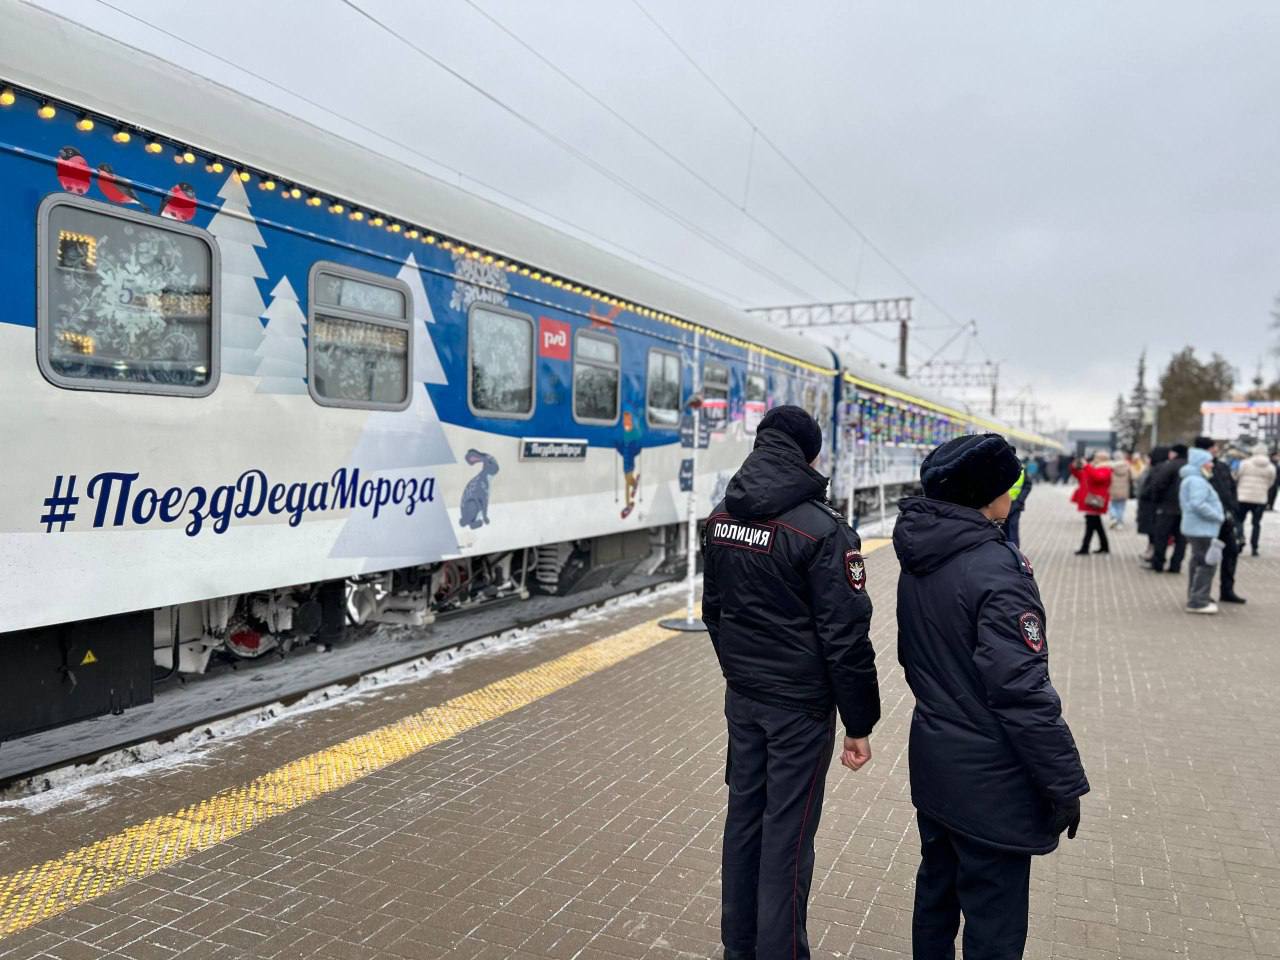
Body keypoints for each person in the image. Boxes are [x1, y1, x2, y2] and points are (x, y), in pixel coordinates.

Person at [895, 434, 1089, 960]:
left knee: (936, 896)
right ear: (987, 496)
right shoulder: (997, 569)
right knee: (994, 923)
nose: (1014, 494)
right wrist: (1063, 782)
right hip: (992, 779)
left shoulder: (920, 555)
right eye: (1009, 485)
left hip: (935, 762)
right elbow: (1021, 691)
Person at [701, 404, 881, 960]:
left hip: (746, 700)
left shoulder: (720, 517)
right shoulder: (822, 530)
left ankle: (741, 948)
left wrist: (741, 672)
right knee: (788, 836)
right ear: (811, 455)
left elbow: (714, 611)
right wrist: (859, 722)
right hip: (800, 710)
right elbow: (845, 636)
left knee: (744, 823)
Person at [1193, 437, 1244, 604]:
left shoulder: (1221, 466)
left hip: (1226, 518)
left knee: (1231, 552)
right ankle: (1199, 593)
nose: (1216, 449)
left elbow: (1231, 488)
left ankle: (1227, 590)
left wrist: (1233, 508)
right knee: (1205, 558)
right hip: (1209, 519)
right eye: (1214, 446)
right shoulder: (1198, 469)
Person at [1179, 447, 1225, 614]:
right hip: (1201, 529)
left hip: (1195, 528)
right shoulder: (1197, 481)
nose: (1211, 465)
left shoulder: (1191, 479)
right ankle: (1198, 600)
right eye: (1208, 462)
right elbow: (1198, 504)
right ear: (1200, 464)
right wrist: (1218, 516)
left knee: (1198, 561)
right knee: (1207, 564)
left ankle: (1196, 594)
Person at [1147, 444, 1189, 573]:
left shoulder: (1169, 465)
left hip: (1167, 507)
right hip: (1185, 509)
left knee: (1162, 537)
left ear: (1174, 453)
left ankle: (1158, 563)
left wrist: (1156, 501)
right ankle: (1175, 565)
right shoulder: (1191, 467)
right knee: (1181, 540)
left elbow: (1158, 484)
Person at [1236, 443, 1276, 556]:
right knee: (1256, 523)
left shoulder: (1244, 464)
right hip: (1260, 499)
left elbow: (1237, 477)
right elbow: (1271, 482)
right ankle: (1254, 548)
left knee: (1239, 520)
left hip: (1243, 497)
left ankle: (1240, 537)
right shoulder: (1271, 467)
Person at [1070, 451, 1113, 554]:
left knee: (1090, 526)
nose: (1094, 459)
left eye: (1097, 457)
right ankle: (1104, 546)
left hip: (1096, 501)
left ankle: (1085, 548)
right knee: (1097, 525)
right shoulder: (1093, 468)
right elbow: (1080, 476)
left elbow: (1098, 478)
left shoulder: (1106, 469)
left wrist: (1087, 466)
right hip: (1092, 500)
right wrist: (1074, 467)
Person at [1005, 456, 1032, 548]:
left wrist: (1020, 501)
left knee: (1012, 529)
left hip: (1015, 505)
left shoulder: (1021, 468)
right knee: (1002, 530)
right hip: (1001, 505)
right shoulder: (998, 467)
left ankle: (1015, 553)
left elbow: (1027, 485)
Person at [1107, 451, 1132, 529]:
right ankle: (1119, 522)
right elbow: (1132, 477)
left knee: (1112, 505)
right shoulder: (1127, 466)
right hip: (1124, 489)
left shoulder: (1111, 466)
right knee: (1121, 507)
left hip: (1113, 488)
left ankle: (1113, 517)